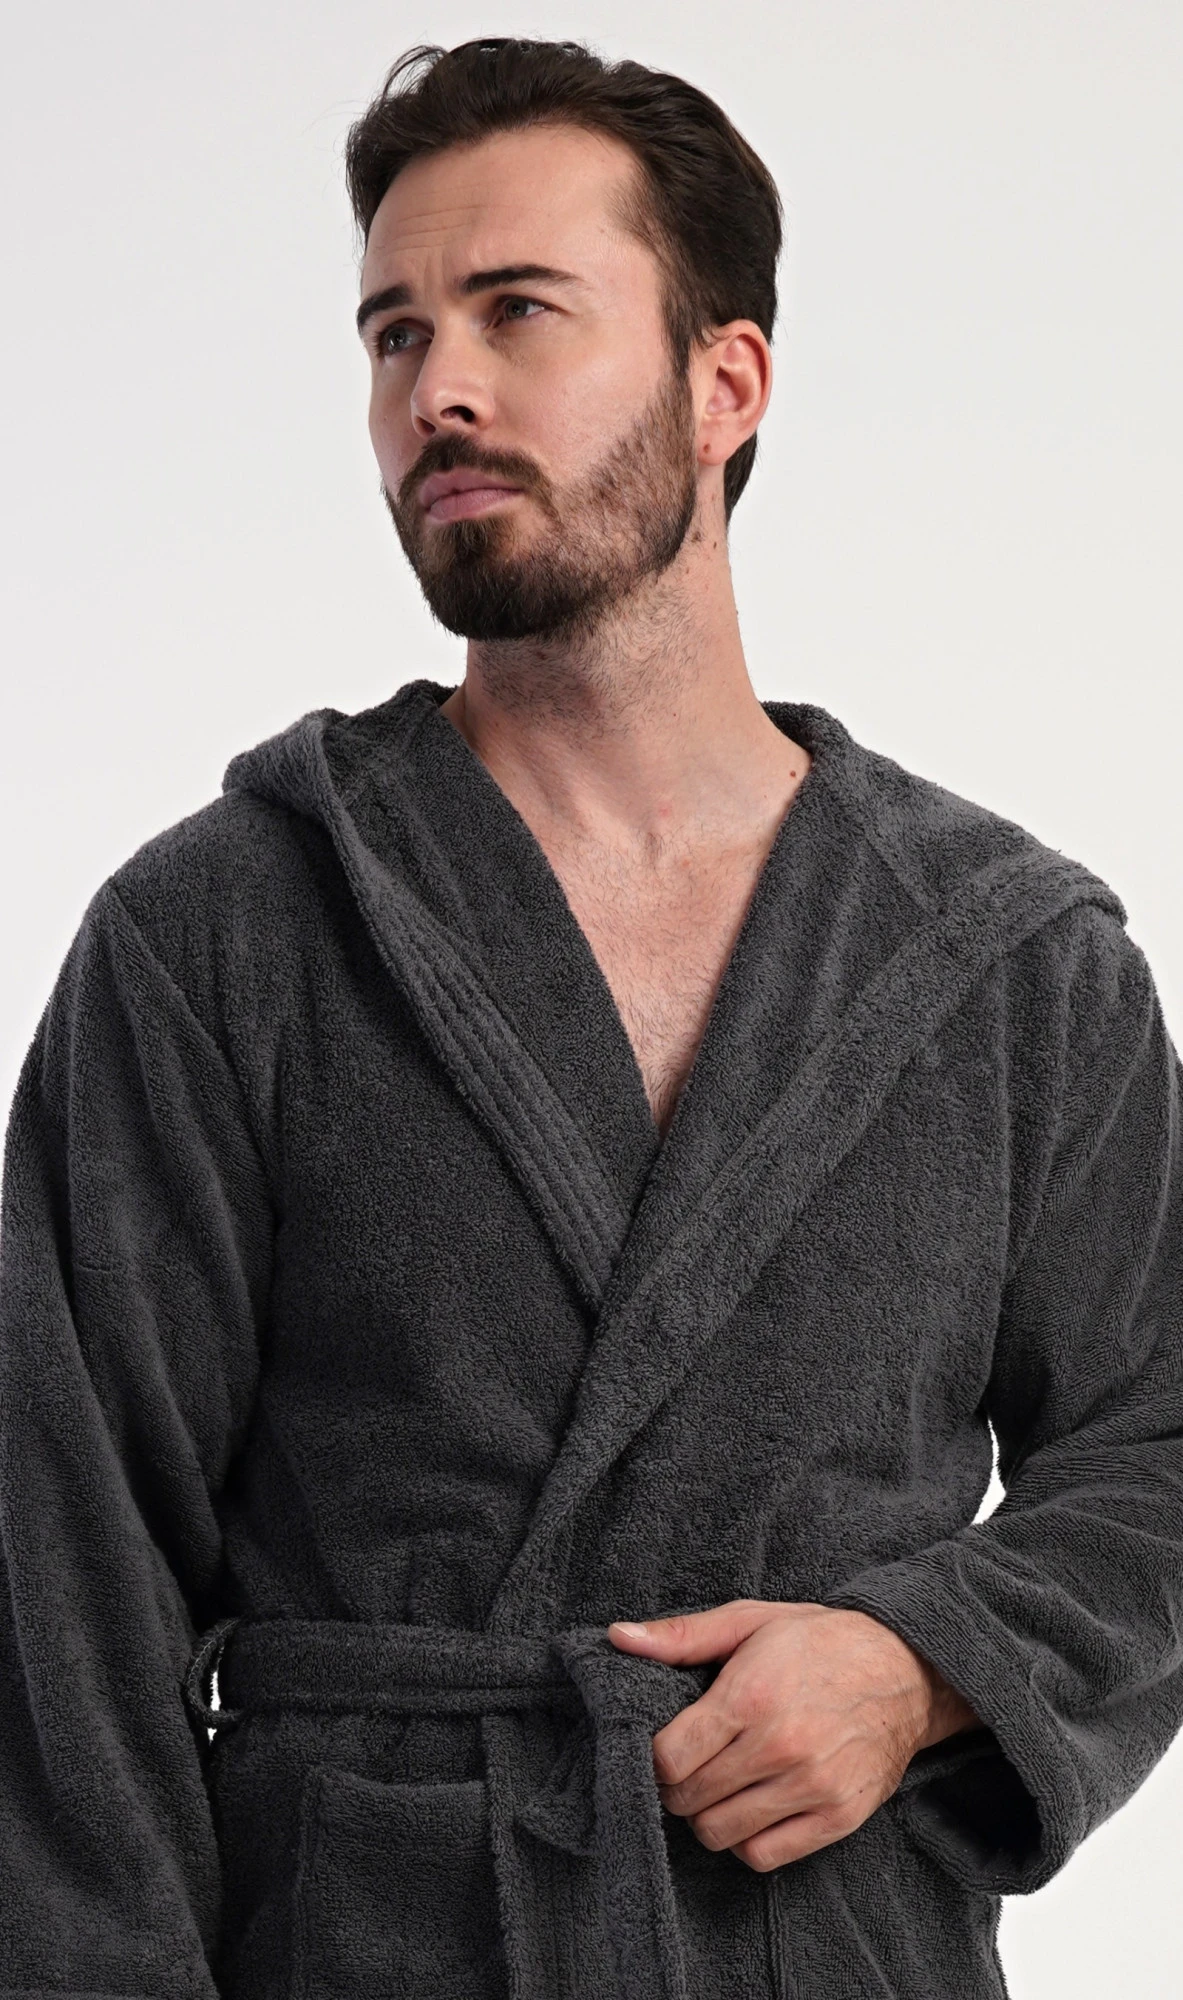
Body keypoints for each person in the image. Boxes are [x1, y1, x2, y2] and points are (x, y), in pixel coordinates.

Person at [1, 35, 1180, 2000]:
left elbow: (1159, 1445)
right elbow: (56, 1562)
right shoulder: (222, 930)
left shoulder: (1010, 960)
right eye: (393, 333)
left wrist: (920, 1665)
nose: (436, 390)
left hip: (832, 1947)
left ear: (728, 383)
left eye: (517, 311)